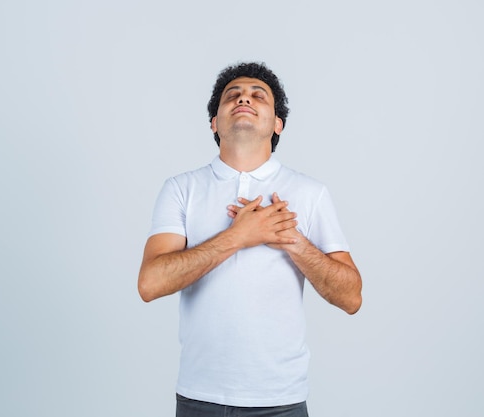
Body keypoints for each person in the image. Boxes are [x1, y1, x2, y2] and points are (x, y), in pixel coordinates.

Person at [138, 62, 362, 417]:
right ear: (215, 122)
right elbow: (150, 284)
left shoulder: (310, 193)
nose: (245, 98)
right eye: (233, 95)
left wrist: (293, 241)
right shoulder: (181, 189)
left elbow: (351, 297)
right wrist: (237, 237)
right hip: (198, 397)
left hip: (281, 401)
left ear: (277, 125)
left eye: (259, 96)